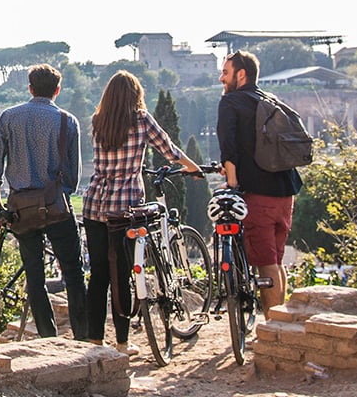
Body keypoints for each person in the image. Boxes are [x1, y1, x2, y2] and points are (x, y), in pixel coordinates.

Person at [82, 70, 201, 355]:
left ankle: (95, 340)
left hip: (95, 204)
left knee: (98, 274)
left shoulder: (98, 121)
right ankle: (122, 344)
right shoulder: (141, 119)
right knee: (121, 274)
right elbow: (169, 150)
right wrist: (192, 167)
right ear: (135, 95)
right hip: (125, 209)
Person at [0, 63, 88, 341]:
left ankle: (47, 338)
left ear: (29, 88)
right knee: (74, 274)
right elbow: (73, 179)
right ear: (58, 90)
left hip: (21, 209)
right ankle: (83, 338)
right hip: (56, 207)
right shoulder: (68, 121)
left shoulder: (9, 117)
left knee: (35, 277)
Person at [216, 50, 302, 319]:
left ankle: (271, 330)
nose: (221, 78)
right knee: (276, 261)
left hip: (258, 194)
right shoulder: (269, 99)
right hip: (286, 191)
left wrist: (231, 186)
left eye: (226, 72)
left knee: (266, 265)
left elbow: (228, 149)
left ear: (241, 75)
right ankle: (280, 324)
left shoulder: (231, 103)